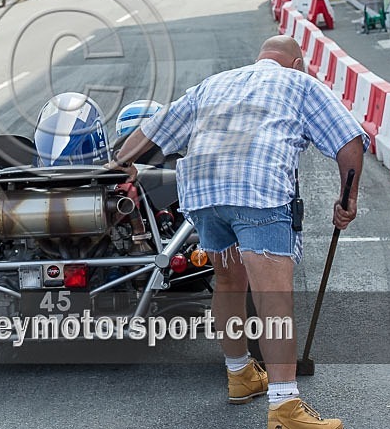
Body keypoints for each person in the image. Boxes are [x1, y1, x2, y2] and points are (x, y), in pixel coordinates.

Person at [109, 36, 368, 429]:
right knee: (272, 295)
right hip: (257, 190)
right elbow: (349, 140)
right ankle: (284, 407)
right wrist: (347, 200)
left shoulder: (215, 83)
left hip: (203, 192)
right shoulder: (300, 84)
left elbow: (154, 129)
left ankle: (241, 374)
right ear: (296, 64)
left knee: (229, 284)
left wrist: (119, 162)